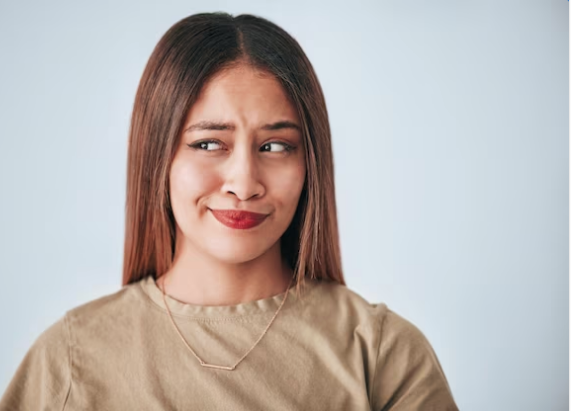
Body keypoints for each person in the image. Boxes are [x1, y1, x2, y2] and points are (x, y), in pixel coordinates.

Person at [0, 12, 459, 410]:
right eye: (208, 144)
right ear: (157, 156)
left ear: (310, 163)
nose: (243, 183)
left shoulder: (382, 355)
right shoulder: (70, 358)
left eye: (276, 145)